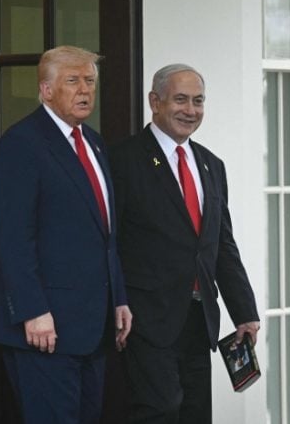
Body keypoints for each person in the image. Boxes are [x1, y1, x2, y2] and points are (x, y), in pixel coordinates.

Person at [0, 45, 132, 424]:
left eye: (90, 81)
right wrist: (33, 311)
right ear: (46, 89)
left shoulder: (94, 142)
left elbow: (105, 235)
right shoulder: (22, 143)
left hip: (92, 325)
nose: (85, 90)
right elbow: (13, 238)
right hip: (45, 327)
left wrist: (118, 298)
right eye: (73, 81)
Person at [111, 64, 260, 424]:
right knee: (160, 410)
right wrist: (115, 302)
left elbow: (222, 244)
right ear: (155, 102)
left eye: (198, 101)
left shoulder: (211, 165)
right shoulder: (123, 160)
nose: (190, 110)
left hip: (198, 318)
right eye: (180, 100)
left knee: (194, 413)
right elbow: (108, 242)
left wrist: (244, 311)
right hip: (145, 318)